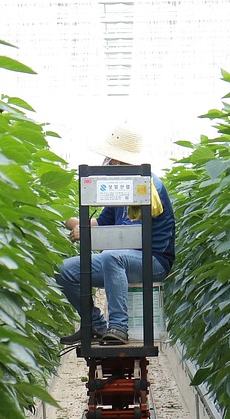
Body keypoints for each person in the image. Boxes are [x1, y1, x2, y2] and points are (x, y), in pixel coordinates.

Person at [56, 124, 175, 346]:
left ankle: (119, 326)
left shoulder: (147, 186)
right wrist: (64, 218)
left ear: (119, 161)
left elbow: (126, 237)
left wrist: (87, 233)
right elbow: (100, 223)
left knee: (113, 255)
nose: (105, 164)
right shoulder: (119, 189)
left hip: (153, 261)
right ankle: (94, 325)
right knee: (65, 271)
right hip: (120, 262)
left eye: (108, 159)